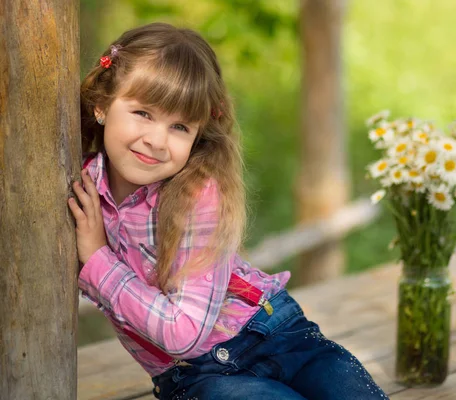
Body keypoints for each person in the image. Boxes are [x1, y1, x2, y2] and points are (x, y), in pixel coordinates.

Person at [70, 22, 388, 400]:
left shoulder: (196, 192)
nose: (156, 141)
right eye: (142, 113)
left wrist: (97, 260)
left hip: (276, 335)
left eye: (179, 126)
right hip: (198, 376)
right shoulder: (80, 189)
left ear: (199, 133)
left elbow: (183, 331)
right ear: (102, 105)